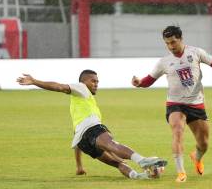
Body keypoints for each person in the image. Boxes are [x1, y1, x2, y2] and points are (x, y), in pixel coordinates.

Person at [132, 26, 212, 182]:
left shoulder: (196, 53)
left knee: (203, 143)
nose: (171, 46)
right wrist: (139, 83)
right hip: (175, 103)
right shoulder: (164, 62)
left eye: (173, 42)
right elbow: (149, 80)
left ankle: (196, 157)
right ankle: (181, 172)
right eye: (167, 43)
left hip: (196, 104)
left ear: (181, 39)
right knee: (177, 130)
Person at [17, 70, 167, 180]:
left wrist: (79, 166)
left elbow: (76, 137)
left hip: (82, 141)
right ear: (84, 82)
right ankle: (142, 160)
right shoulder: (81, 88)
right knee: (112, 144)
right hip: (92, 130)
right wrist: (35, 81)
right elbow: (59, 87)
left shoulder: (80, 105)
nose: (96, 84)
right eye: (93, 81)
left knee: (117, 162)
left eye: (97, 82)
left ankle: (140, 176)